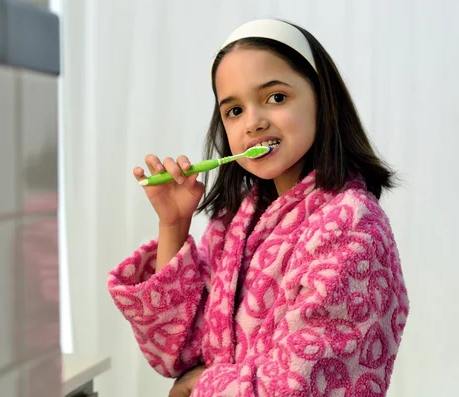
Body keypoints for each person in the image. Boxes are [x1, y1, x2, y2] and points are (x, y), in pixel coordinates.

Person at [107, 18, 409, 397]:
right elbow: (179, 354)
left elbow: (307, 384)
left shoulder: (352, 225)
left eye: (276, 97)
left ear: (322, 99)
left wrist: (201, 384)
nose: (253, 122)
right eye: (233, 110)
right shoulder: (234, 222)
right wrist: (174, 224)